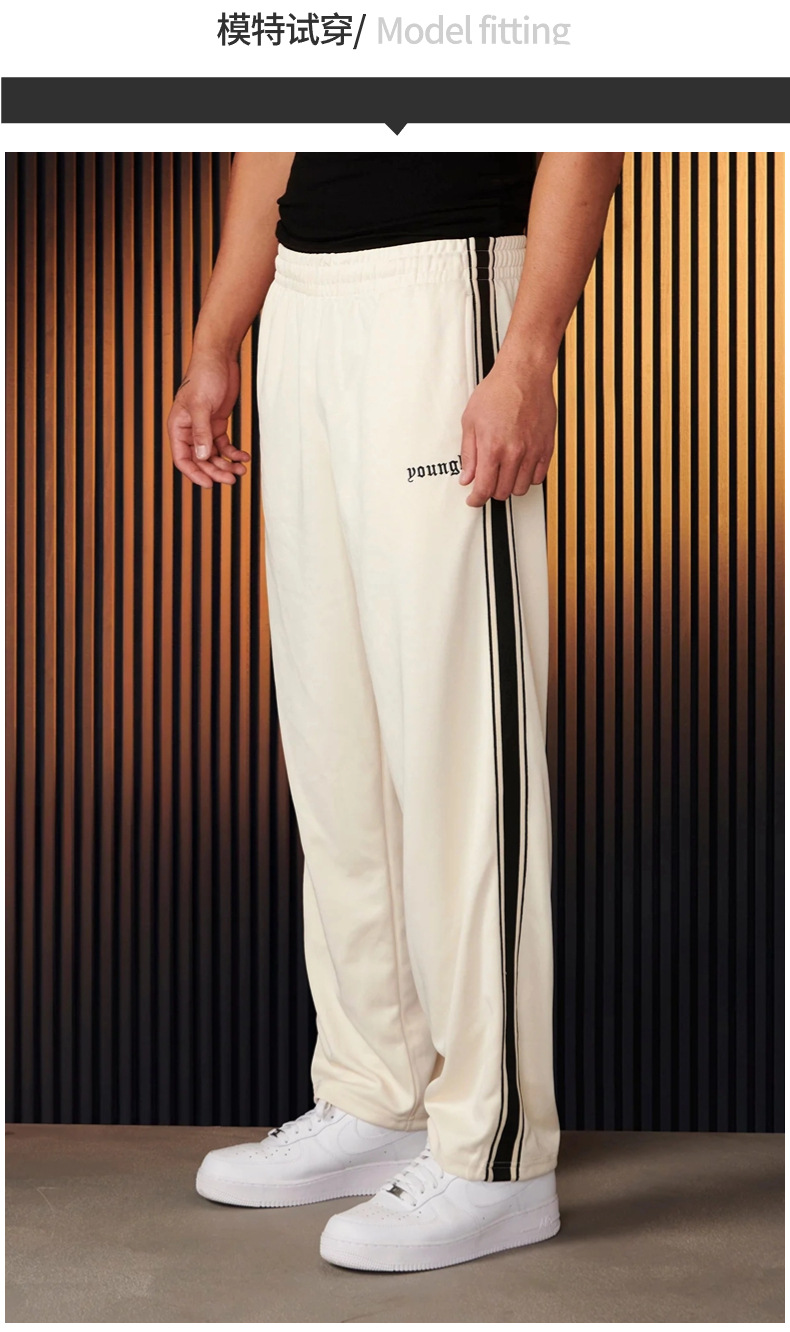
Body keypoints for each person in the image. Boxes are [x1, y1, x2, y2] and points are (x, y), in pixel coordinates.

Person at [167, 151, 623, 1273]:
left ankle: (494, 1157)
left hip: (447, 290)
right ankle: (379, 1094)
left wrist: (527, 352)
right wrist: (218, 338)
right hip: (306, 302)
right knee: (339, 744)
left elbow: (588, 122)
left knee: (457, 751)